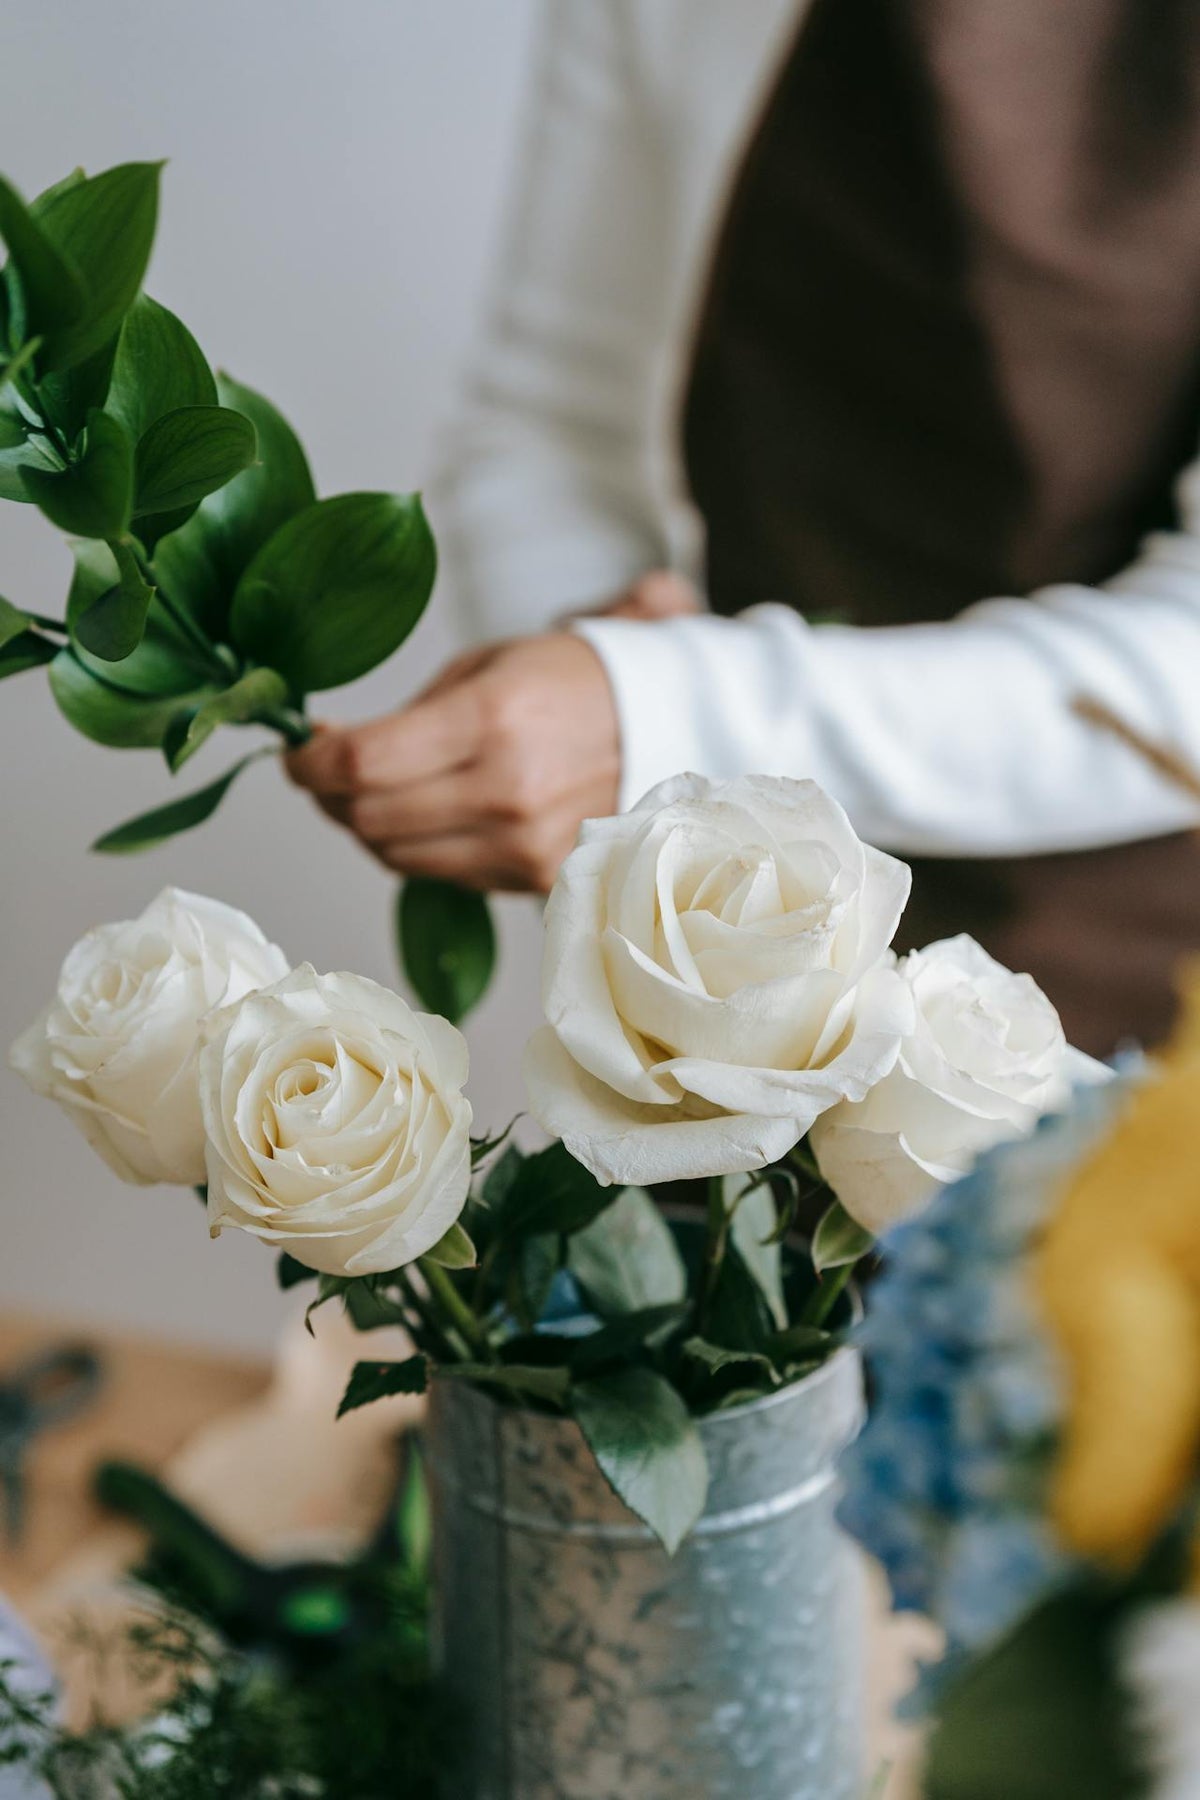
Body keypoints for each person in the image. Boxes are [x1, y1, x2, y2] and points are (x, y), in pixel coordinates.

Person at [287, 0, 1200, 1056]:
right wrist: (589, 672)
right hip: (732, 990)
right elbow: (552, 413)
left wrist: (670, 712)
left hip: (1145, 1027)